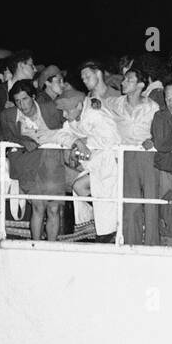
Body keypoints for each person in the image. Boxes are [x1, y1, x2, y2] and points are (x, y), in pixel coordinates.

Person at [0, 79, 66, 242]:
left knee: (54, 209)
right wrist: (22, 141)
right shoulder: (8, 115)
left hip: (52, 163)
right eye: (17, 101)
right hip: (28, 164)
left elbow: (73, 117)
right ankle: (35, 246)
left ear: (33, 97)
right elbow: (4, 135)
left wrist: (94, 102)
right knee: (38, 206)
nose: (21, 105)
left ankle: (51, 246)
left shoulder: (51, 108)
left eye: (25, 99)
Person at [54, 88, 121, 240]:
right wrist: (76, 142)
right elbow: (61, 134)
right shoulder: (73, 117)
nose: (64, 115)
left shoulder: (95, 114)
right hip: (95, 165)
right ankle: (104, 227)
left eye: (66, 111)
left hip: (109, 164)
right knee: (82, 189)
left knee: (101, 199)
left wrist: (84, 142)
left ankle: (111, 231)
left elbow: (113, 139)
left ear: (78, 106)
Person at [107, 67, 161, 245]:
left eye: (128, 80)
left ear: (140, 84)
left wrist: (153, 140)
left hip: (147, 156)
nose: (123, 82)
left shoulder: (152, 107)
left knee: (151, 202)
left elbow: (162, 132)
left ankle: (153, 245)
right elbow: (94, 103)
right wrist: (95, 103)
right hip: (126, 155)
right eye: (124, 79)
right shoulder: (115, 103)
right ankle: (131, 244)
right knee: (130, 205)